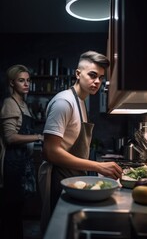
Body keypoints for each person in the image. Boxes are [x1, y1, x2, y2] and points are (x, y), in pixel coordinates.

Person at [38, 51, 122, 233]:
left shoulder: (81, 102)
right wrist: (98, 167)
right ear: (78, 74)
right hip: (59, 178)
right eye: (92, 75)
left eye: (101, 77)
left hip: (73, 178)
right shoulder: (64, 102)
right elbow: (50, 151)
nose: (98, 81)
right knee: (59, 229)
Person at [0, 64, 43, 239]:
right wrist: (38, 137)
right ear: (12, 83)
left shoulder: (23, 104)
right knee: (11, 212)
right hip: (12, 164)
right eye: (21, 81)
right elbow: (10, 138)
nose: (26, 84)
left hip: (23, 163)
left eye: (28, 80)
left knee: (18, 210)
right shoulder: (10, 104)